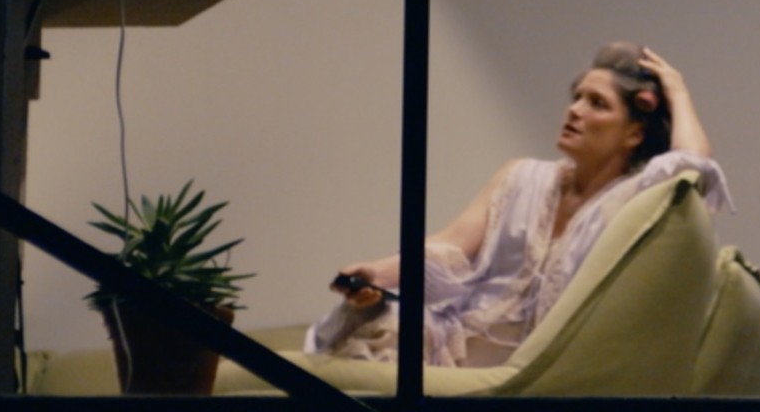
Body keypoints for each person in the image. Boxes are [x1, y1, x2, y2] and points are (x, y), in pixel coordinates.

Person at [307, 44, 730, 368]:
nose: (575, 110)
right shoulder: (521, 176)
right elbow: (450, 244)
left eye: (596, 104)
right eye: (577, 96)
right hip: (455, 339)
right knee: (379, 325)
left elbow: (693, 165)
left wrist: (675, 88)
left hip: (542, 364)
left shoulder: (635, 197)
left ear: (634, 134)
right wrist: (377, 273)